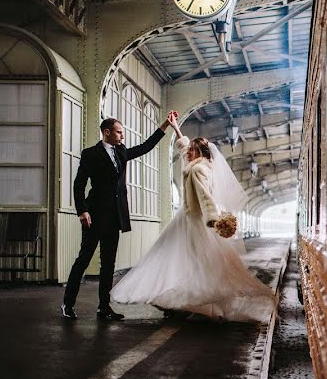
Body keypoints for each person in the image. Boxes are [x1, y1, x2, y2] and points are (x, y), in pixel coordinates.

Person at [110, 112, 275, 322]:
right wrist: (176, 127)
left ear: (198, 152)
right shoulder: (204, 166)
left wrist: (212, 218)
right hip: (191, 220)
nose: (187, 152)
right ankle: (191, 303)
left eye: (191, 150)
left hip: (192, 221)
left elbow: (206, 198)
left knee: (176, 259)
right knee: (198, 262)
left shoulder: (196, 170)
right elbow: (184, 147)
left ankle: (174, 299)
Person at [60, 112, 174, 321]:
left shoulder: (121, 151)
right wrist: (82, 210)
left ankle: (104, 308)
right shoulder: (90, 154)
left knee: (109, 264)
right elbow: (78, 185)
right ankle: (67, 304)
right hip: (93, 216)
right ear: (107, 132)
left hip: (115, 217)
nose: (123, 136)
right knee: (83, 260)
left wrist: (165, 124)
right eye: (119, 132)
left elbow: (145, 147)